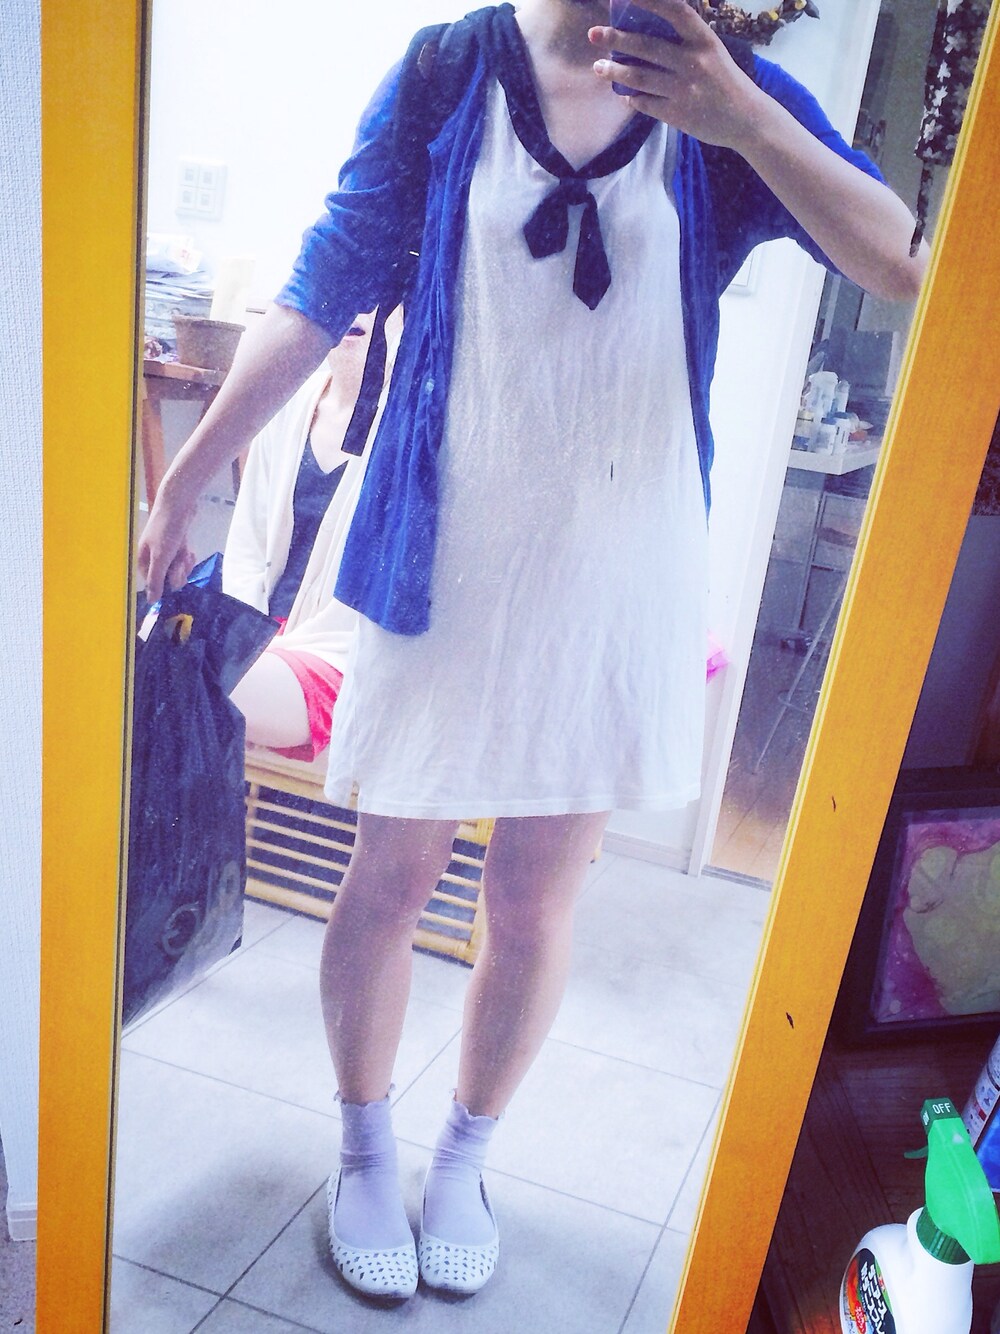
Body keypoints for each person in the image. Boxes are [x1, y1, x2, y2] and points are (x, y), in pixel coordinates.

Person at [138, 0, 928, 1301]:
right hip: (439, 575)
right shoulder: (449, 70)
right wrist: (186, 483)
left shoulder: (721, 89)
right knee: (390, 876)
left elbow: (900, 259)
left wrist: (740, 115)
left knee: (531, 901)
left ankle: (466, 1155)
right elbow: (319, 288)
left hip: (615, 584)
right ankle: (363, 1147)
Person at [222, 311, 399, 760]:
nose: (359, 308)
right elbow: (246, 548)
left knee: (193, 683)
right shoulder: (288, 406)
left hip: (339, 657)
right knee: (148, 650)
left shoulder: (411, 431)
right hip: (261, 637)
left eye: (380, 298)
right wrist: (248, 637)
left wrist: (269, 652)